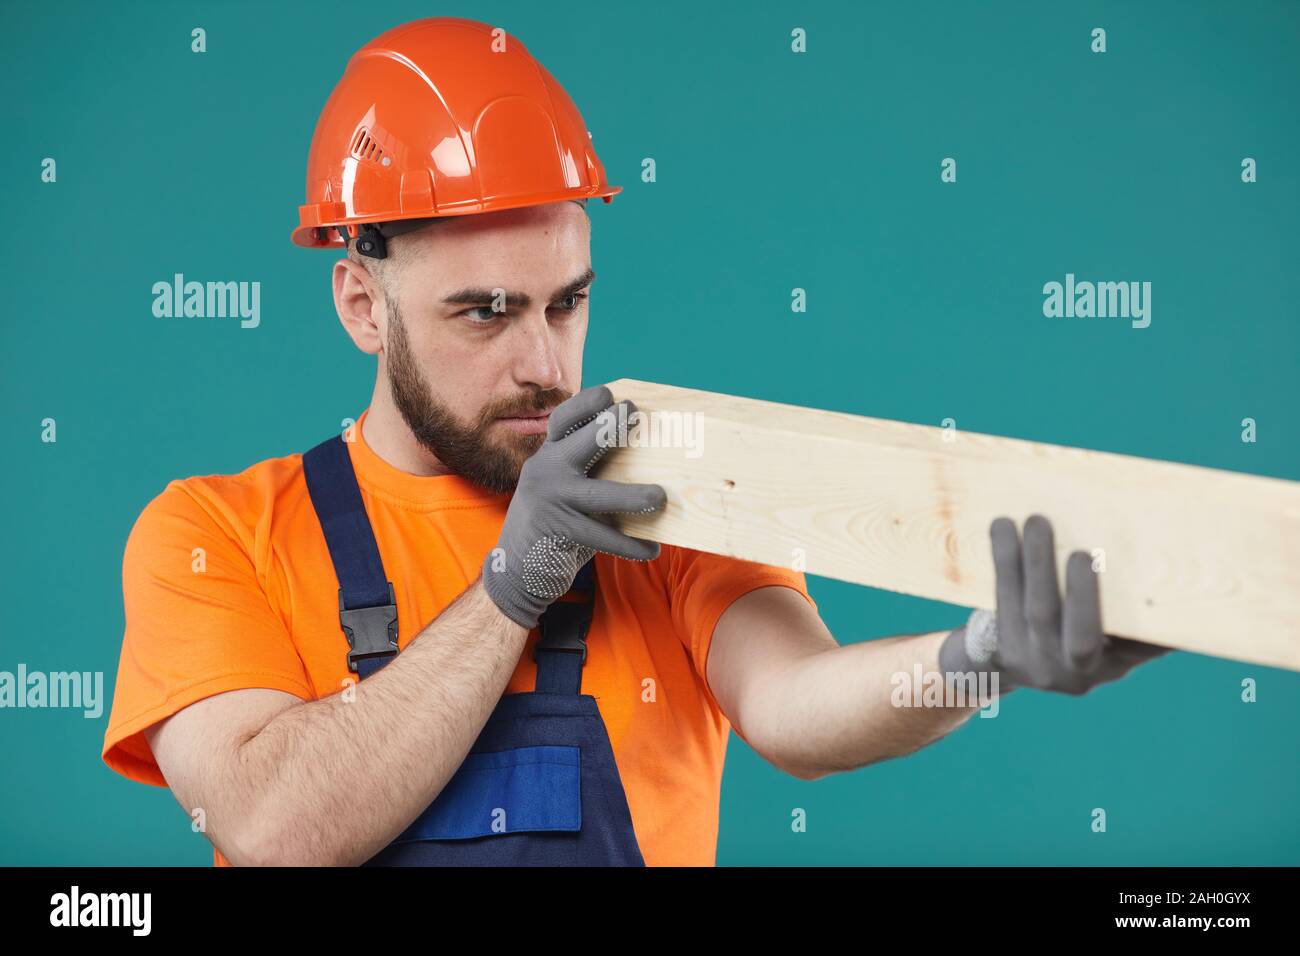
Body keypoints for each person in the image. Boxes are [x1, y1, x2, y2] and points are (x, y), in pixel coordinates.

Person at [101, 17, 1169, 867]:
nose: (547, 366)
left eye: (566, 303)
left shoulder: (659, 495)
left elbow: (796, 706)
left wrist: (977, 661)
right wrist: (515, 584)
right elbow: (275, 828)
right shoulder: (213, 534)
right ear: (361, 305)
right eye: (485, 313)